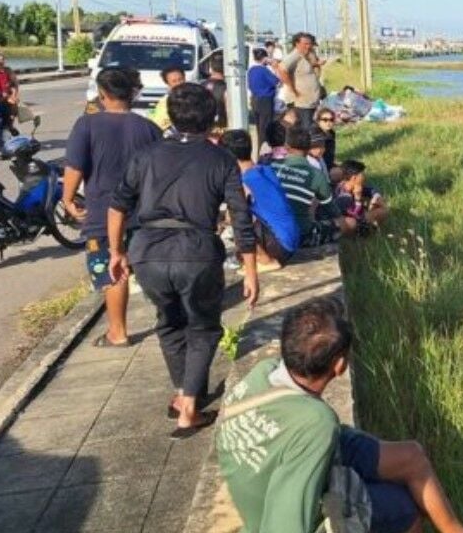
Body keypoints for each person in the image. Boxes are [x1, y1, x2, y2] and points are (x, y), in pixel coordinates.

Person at [215, 297, 463, 533]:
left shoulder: (263, 374)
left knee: (412, 456)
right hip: (284, 495)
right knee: (406, 509)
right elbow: (288, 517)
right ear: (339, 365)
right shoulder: (316, 422)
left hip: (298, 446)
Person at [108, 83, 258, 438]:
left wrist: (117, 252)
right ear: (213, 117)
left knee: (169, 323)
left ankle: (182, 392)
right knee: (204, 327)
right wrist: (250, 270)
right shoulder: (220, 159)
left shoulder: (146, 154)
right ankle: (189, 407)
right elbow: (240, 217)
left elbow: (118, 205)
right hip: (197, 250)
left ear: (172, 116)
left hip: (148, 251)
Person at [63, 68, 162, 348]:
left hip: (102, 214)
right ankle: (170, 318)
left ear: (103, 94)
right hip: (143, 213)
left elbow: (75, 167)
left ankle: (117, 332)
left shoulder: (87, 125)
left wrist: (68, 199)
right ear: (132, 93)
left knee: (113, 272)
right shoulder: (149, 128)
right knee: (146, 269)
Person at [220, 129, 300, 269]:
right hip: (291, 240)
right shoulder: (264, 169)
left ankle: (265, 260)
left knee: (235, 221)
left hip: (279, 246)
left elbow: (233, 218)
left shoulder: (244, 182)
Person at [271, 125, 341, 246]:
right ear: (309, 147)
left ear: (286, 146)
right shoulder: (316, 174)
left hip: (271, 233)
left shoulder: (272, 167)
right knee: (345, 223)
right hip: (301, 235)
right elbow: (332, 210)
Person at [277, 32, 323, 128]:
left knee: (312, 129)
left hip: (310, 102)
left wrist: (317, 64)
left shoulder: (306, 55)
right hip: (301, 104)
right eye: (305, 44)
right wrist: (292, 88)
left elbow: (307, 68)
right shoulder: (295, 56)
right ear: (297, 44)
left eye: (310, 44)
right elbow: (281, 69)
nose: (308, 46)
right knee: (304, 132)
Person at [333, 159, 388, 234]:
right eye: (362, 174)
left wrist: (377, 196)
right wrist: (358, 198)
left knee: (379, 204)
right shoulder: (344, 196)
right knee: (381, 212)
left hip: (354, 216)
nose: (364, 177)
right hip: (348, 220)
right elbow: (355, 215)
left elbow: (370, 189)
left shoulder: (351, 185)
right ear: (354, 177)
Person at [248, 48, 280, 147]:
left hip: (254, 99)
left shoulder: (251, 70)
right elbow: (276, 81)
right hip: (265, 101)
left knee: (259, 129)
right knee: (265, 129)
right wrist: (275, 67)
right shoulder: (264, 70)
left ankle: (259, 150)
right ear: (265, 58)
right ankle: (264, 151)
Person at [150, 66, 186, 132]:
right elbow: (158, 124)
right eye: (174, 81)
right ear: (168, 84)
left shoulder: (195, 96)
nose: (178, 83)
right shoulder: (165, 102)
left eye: (180, 79)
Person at [202, 53, 228, 132]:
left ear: (210, 68)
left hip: (203, 129)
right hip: (220, 130)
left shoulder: (200, 86)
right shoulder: (227, 89)